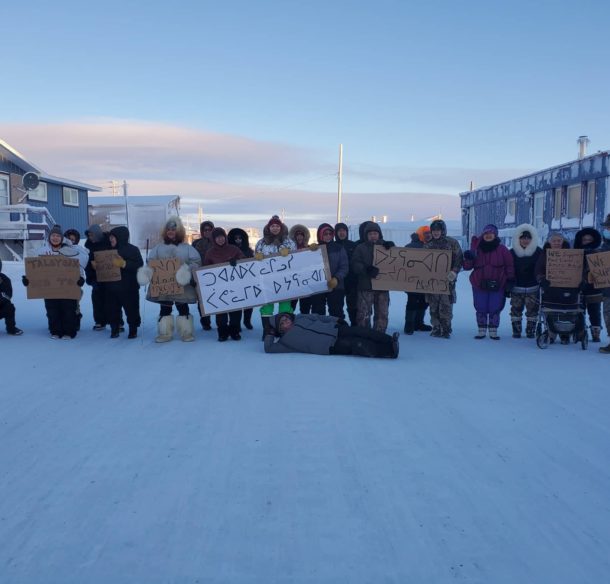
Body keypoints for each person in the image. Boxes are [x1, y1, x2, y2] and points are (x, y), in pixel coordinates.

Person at [137, 216, 201, 343]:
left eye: (173, 229)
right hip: (164, 286)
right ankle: (165, 333)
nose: (171, 232)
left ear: (179, 231)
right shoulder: (158, 248)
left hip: (183, 285)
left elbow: (197, 262)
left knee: (183, 308)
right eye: (168, 229)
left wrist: (185, 270)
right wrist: (146, 272)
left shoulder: (187, 248)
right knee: (165, 308)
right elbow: (151, 263)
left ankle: (186, 332)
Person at [22, 224, 87, 339]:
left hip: (67, 287)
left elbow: (78, 266)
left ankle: (69, 332)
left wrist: (81, 278)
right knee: (52, 310)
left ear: (61, 238)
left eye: (58, 236)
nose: (55, 238)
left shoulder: (69, 250)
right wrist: (28, 279)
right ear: (49, 237)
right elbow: (34, 268)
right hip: (50, 289)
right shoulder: (42, 251)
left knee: (68, 310)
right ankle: (55, 331)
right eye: (53, 235)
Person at [263, 312, 399, 358]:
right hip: (329, 346)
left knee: (362, 332)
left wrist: (335, 319)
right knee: (359, 345)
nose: (286, 321)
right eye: (282, 322)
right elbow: (269, 348)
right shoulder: (286, 342)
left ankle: (389, 340)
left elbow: (319, 317)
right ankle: (390, 351)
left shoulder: (299, 317)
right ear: (280, 329)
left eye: (286, 318)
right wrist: (270, 332)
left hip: (334, 329)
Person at [462, 224, 515, 340]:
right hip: (479, 284)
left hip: (498, 284)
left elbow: (509, 266)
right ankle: (481, 329)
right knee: (480, 306)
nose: (488, 236)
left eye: (491, 234)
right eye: (486, 233)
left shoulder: (503, 250)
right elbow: (467, 267)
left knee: (495, 306)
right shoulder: (476, 249)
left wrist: (510, 279)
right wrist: (468, 257)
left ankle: (493, 329)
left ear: (495, 235)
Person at [254, 215, 296, 337]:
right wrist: (257, 257)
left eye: (277, 226)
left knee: (285, 306)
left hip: (285, 280)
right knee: (267, 306)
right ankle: (268, 331)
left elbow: (297, 258)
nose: (275, 228)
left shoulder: (289, 242)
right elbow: (255, 258)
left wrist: (289, 253)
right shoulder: (261, 243)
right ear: (269, 227)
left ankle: (284, 331)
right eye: (273, 226)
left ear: (281, 227)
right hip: (267, 280)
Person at [351, 221, 394, 333]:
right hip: (365, 287)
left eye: (375, 233)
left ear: (379, 234)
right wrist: (366, 269)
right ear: (366, 235)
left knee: (382, 314)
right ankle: (364, 335)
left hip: (382, 287)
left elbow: (396, 260)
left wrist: (392, 248)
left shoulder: (386, 246)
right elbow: (355, 264)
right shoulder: (360, 248)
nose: (373, 236)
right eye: (370, 234)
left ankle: (379, 335)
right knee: (363, 313)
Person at [423, 219, 463, 338]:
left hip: (448, 280)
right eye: (434, 230)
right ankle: (436, 327)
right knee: (433, 305)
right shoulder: (428, 245)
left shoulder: (452, 243)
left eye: (438, 230)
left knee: (446, 305)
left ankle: (446, 328)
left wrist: (454, 271)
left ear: (443, 231)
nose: (436, 233)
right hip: (432, 281)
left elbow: (459, 258)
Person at [204, 227, 245, 341]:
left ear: (225, 237)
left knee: (235, 311)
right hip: (218, 288)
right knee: (221, 312)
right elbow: (205, 269)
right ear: (214, 239)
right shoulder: (210, 253)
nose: (220, 239)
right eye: (217, 238)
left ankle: (235, 332)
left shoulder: (234, 249)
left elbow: (244, 261)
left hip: (235, 285)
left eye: (222, 237)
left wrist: (236, 261)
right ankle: (222, 333)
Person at [535, 232, 576, 344]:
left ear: (563, 242)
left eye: (559, 241)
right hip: (550, 287)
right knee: (551, 309)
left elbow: (577, 269)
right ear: (550, 242)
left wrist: (578, 280)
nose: (557, 243)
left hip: (567, 287)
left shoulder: (571, 254)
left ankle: (565, 333)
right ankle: (551, 332)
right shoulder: (544, 254)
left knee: (566, 311)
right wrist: (542, 279)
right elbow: (538, 270)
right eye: (554, 241)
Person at [105, 226, 143, 339]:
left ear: (120, 237)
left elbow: (139, 266)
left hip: (129, 287)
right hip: (111, 287)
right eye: (110, 237)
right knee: (112, 310)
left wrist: (124, 264)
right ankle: (114, 328)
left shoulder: (133, 250)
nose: (110, 239)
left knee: (131, 310)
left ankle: (133, 329)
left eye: (113, 237)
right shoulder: (108, 250)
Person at [508, 224, 542, 338]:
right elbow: (508, 268)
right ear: (518, 239)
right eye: (523, 238)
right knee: (516, 309)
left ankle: (530, 331)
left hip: (533, 287)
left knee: (533, 310)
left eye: (528, 238)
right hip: (517, 287)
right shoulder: (512, 253)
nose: (525, 240)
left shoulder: (539, 252)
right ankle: (516, 331)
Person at [309, 223, 349, 317]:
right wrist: (308, 251)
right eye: (325, 234)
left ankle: (337, 330)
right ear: (320, 235)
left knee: (336, 312)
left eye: (329, 234)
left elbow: (344, 267)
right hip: (318, 285)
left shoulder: (339, 248)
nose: (328, 236)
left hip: (336, 286)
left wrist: (336, 278)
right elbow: (307, 265)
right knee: (317, 312)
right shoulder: (314, 249)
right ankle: (318, 330)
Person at [573, 227, 603, 343]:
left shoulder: (599, 253)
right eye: (584, 239)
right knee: (579, 311)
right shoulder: (575, 253)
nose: (586, 242)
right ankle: (580, 331)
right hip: (578, 287)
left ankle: (596, 332)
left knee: (594, 311)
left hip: (594, 288)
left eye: (589, 239)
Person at [403, 227, 433, 334]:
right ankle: (409, 324)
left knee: (424, 302)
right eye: (425, 233)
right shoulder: (410, 246)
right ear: (420, 234)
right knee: (412, 301)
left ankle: (419, 323)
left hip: (427, 280)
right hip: (412, 281)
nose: (428, 235)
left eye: (430, 233)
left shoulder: (434, 246)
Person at [85, 224, 112, 331]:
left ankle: (117, 321)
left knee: (112, 301)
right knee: (97, 301)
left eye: (92, 235)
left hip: (110, 277)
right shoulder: (88, 247)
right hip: (96, 278)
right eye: (89, 235)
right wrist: (91, 279)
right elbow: (87, 264)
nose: (90, 237)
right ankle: (100, 321)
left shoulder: (108, 242)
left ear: (97, 234)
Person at [228, 227, 255, 330]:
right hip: (233, 282)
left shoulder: (249, 251)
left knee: (249, 303)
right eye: (236, 238)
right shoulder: (228, 250)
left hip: (247, 280)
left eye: (240, 238)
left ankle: (247, 321)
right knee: (236, 304)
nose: (238, 240)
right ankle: (236, 324)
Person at [192, 220, 215, 331]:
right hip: (201, 275)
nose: (207, 232)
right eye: (205, 230)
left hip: (216, 275)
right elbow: (192, 259)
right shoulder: (196, 243)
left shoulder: (218, 241)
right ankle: (205, 321)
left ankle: (221, 321)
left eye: (210, 229)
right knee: (202, 300)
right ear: (202, 231)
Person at [334, 222, 358, 325]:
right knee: (337, 307)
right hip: (338, 282)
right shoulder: (332, 245)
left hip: (351, 282)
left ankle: (354, 326)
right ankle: (341, 327)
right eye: (339, 231)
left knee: (353, 307)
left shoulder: (353, 245)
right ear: (336, 233)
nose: (342, 233)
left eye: (343, 230)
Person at [289, 223, 313, 314]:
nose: (299, 237)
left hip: (306, 283)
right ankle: (289, 323)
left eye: (301, 235)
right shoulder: (289, 249)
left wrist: (315, 249)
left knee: (305, 307)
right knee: (291, 307)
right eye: (297, 235)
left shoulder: (309, 248)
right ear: (294, 237)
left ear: (304, 237)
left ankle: (304, 324)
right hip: (293, 283)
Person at [0, 259, 23, 335]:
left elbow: (8, 296)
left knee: (9, 307)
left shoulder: (4, 279)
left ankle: (11, 328)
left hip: (1, 306)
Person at [599, 214, 610, 353]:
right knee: (608, 314)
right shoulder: (604, 245)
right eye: (607, 227)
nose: (607, 229)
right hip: (607, 289)